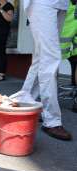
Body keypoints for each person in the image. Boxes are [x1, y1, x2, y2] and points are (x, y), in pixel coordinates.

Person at [21, 0, 72, 140]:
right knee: (50, 57)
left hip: (61, 3)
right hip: (43, 2)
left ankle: (25, 103)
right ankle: (52, 120)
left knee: (41, 57)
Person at [59, 0, 77, 113]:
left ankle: (47, 105)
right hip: (65, 9)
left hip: (66, 9)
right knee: (52, 60)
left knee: (52, 59)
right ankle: (48, 103)